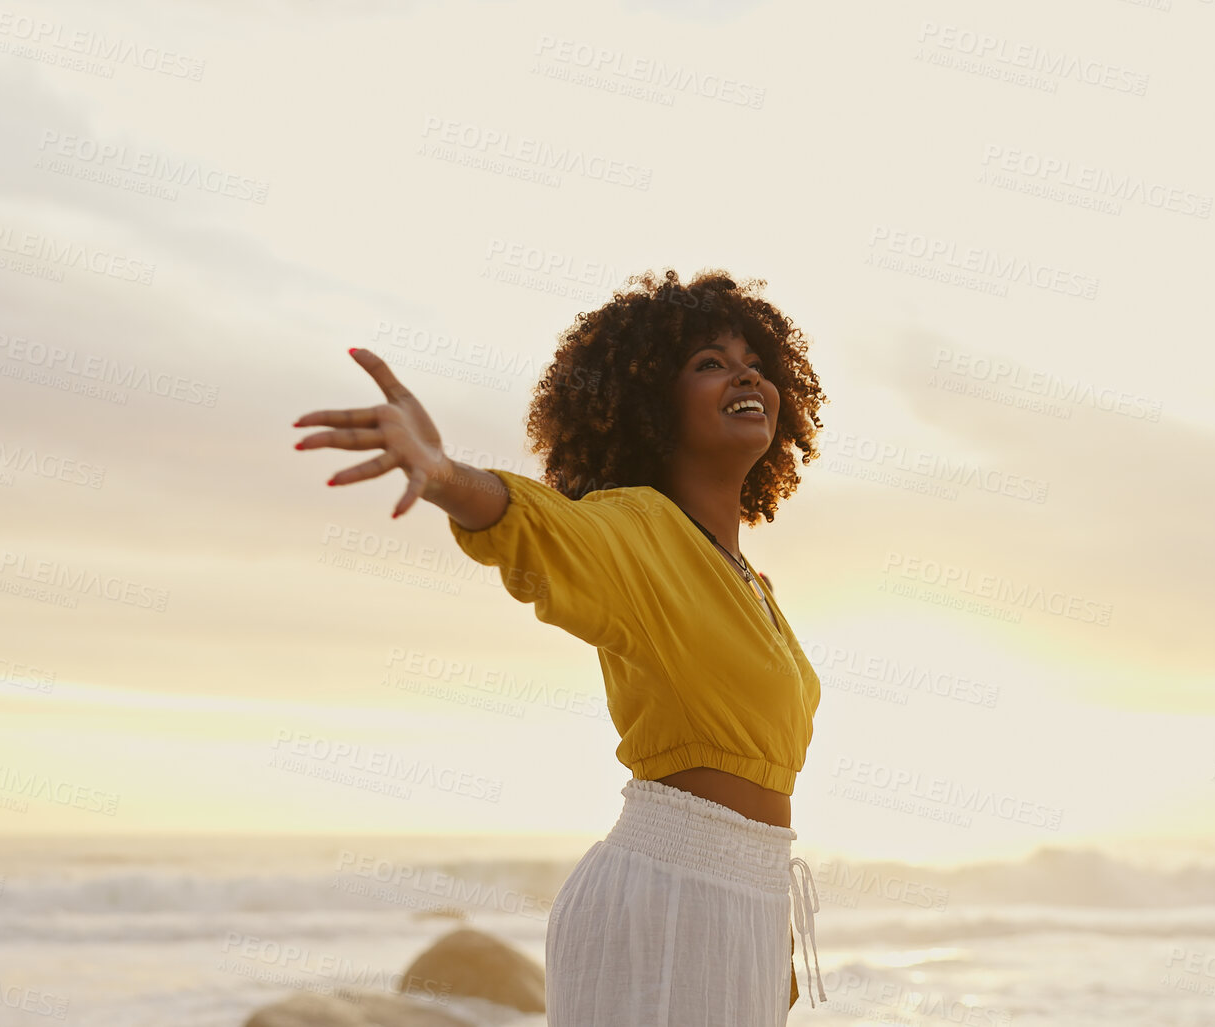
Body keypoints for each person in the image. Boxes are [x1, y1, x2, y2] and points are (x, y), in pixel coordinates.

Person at [293, 267, 831, 1023]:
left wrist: (762, 929)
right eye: (708, 362)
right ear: (650, 408)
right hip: (665, 896)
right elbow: (540, 528)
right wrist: (444, 474)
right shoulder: (636, 529)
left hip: (735, 901)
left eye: (753, 362)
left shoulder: (751, 583)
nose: (744, 373)